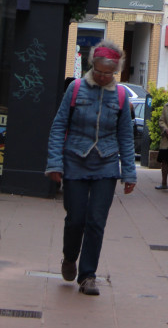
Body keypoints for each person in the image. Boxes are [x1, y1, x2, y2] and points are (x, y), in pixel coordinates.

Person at [45, 40, 136, 296]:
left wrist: (129, 173)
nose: (104, 76)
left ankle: (88, 276)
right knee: (76, 219)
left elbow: (126, 138)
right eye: (99, 71)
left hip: (106, 165)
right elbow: (58, 127)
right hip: (75, 160)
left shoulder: (120, 96)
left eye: (109, 73)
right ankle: (69, 256)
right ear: (92, 65)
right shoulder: (75, 89)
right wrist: (55, 162)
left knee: (96, 221)